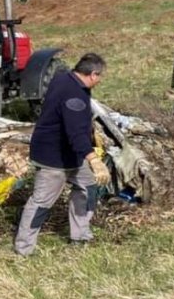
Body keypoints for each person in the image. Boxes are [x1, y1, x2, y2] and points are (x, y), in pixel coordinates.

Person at [14, 53, 112, 256]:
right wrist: (94, 160)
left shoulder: (64, 78)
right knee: (41, 202)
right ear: (93, 74)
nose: (100, 81)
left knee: (88, 187)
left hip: (71, 155)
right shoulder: (74, 95)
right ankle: (23, 248)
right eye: (100, 76)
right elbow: (74, 132)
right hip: (54, 157)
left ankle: (80, 235)